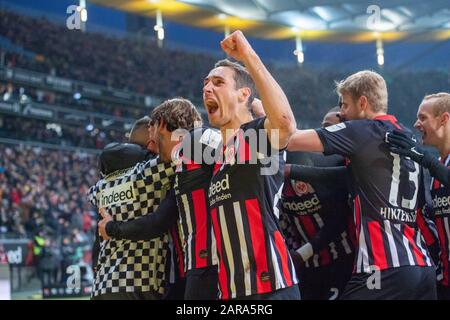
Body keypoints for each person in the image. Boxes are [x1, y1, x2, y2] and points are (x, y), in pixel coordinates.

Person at [287, 70, 437, 299]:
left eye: (345, 105)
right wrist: (293, 170)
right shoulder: (406, 136)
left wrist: (259, 121)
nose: (342, 113)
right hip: (422, 267)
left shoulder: (361, 130)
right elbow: (347, 175)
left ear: (363, 102)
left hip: (381, 268)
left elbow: (291, 139)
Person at [203, 30, 299, 300]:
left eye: (218, 82)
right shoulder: (219, 156)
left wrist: (247, 54)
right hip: (232, 291)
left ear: (243, 94)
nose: (207, 88)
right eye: (206, 83)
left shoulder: (257, 134)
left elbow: (285, 123)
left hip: (270, 288)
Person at [98, 99, 221, 300]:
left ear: (162, 124)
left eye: (152, 131)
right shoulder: (178, 164)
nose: (151, 147)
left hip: (210, 265)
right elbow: (162, 218)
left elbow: (246, 154)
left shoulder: (199, 141)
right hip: (190, 269)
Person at [88, 104, 176, 300]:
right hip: (140, 284)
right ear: (149, 144)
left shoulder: (103, 185)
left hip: (103, 286)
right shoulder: (148, 174)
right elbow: (180, 155)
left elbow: (97, 237)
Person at [280, 108, 355, 300]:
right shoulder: (285, 163)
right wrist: (290, 255)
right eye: (323, 127)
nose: (324, 133)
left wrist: (302, 254)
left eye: (332, 128)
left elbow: (338, 221)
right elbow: (284, 221)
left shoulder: (340, 167)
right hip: (305, 267)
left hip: (341, 261)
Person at [386, 92, 450, 299]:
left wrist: (422, 157)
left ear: (444, 119)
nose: (416, 124)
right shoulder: (438, 169)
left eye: (423, 118)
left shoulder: (435, 166)